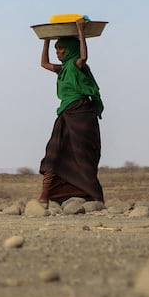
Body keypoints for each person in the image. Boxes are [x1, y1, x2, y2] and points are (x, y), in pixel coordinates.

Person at [38, 16, 105, 203]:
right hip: (66, 113)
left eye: (61, 48)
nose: (58, 52)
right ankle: (46, 196)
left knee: (83, 156)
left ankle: (90, 196)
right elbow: (44, 64)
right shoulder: (63, 69)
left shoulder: (77, 64)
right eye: (56, 49)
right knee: (54, 151)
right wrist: (46, 40)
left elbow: (83, 56)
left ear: (71, 49)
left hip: (82, 114)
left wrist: (81, 31)